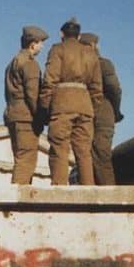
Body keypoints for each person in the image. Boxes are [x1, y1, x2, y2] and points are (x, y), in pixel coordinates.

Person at [38, 17, 103, 185]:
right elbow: (97, 87)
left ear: (62, 34)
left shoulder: (57, 50)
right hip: (85, 105)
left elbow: (49, 80)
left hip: (62, 104)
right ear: (79, 36)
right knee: (84, 152)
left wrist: (45, 106)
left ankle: (59, 191)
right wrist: (92, 109)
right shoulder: (91, 54)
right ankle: (88, 191)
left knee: (59, 149)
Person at [4, 25, 49, 184]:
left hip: (13, 115)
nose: (42, 46)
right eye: (40, 43)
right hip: (26, 117)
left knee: (20, 159)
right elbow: (33, 95)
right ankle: (17, 206)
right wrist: (42, 117)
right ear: (32, 44)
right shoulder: (30, 64)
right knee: (26, 161)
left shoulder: (13, 62)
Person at [80, 32, 124, 185]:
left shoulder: (80, 66)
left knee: (91, 155)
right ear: (94, 45)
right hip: (103, 110)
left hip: (89, 111)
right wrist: (115, 111)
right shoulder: (104, 63)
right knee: (100, 155)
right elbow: (115, 89)